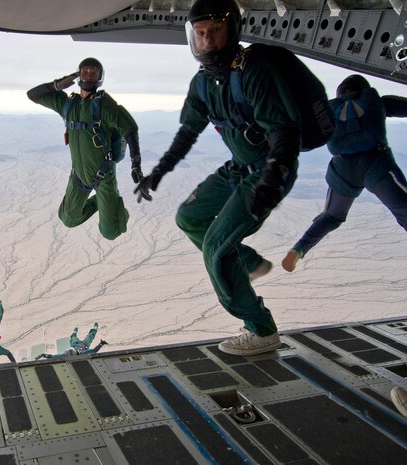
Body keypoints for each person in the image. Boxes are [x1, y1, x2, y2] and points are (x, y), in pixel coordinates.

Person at [134, 0, 308, 356]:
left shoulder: (254, 73)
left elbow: (284, 133)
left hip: (268, 170)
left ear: (232, 31)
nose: (208, 41)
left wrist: (271, 181)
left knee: (215, 244)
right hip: (239, 168)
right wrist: (159, 171)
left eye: (215, 31)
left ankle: (261, 328)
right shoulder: (203, 84)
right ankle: (246, 262)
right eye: (200, 33)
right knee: (189, 217)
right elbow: (188, 132)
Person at [282, 75, 407, 272]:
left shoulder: (327, 112)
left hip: (343, 168)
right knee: (406, 207)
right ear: (363, 89)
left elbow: (305, 141)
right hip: (375, 165)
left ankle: (299, 249)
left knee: (331, 216)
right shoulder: (376, 101)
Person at [27, 58, 149, 240]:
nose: (89, 76)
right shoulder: (68, 105)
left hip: (103, 175)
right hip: (78, 175)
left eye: (94, 73)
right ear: (78, 74)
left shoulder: (105, 105)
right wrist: (57, 85)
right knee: (68, 219)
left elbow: (130, 129)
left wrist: (136, 166)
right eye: (85, 72)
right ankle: (102, 203)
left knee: (110, 232)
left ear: (99, 78)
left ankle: (113, 205)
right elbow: (32, 95)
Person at [35, 322, 107, 359]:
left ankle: (74, 332)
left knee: (73, 338)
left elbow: (53, 356)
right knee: (90, 336)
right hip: (84, 345)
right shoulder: (82, 353)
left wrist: (43, 355)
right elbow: (94, 351)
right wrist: (101, 344)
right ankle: (95, 328)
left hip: (75, 344)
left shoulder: (65, 355)